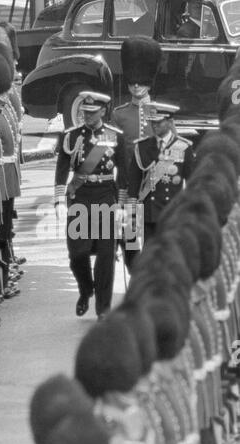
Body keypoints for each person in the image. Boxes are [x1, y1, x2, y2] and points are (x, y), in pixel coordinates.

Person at [54, 91, 127, 319]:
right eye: (84, 112)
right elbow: (62, 169)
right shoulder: (71, 136)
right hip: (80, 196)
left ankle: (103, 308)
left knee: (106, 255)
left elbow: (123, 172)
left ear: (103, 111)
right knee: (78, 253)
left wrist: (123, 206)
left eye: (92, 112)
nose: (87, 115)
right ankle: (86, 290)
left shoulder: (115, 136)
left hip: (106, 196)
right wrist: (58, 200)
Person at [112, 37, 162, 271]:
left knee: (153, 239)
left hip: (153, 185)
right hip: (127, 185)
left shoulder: (160, 114)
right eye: (133, 82)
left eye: (141, 82)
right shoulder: (119, 115)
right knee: (129, 239)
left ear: (149, 83)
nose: (136, 86)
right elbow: (114, 153)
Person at [128, 102, 195, 243]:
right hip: (148, 212)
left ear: (170, 122)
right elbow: (134, 181)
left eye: (159, 122)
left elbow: (191, 183)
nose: (154, 125)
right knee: (148, 256)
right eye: (153, 121)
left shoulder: (183, 147)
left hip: (172, 212)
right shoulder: (142, 146)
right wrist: (131, 214)